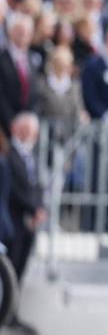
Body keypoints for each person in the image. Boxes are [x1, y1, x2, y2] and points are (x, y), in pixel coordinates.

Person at [2, 112, 44, 282]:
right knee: (9, 269)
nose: (32, 136)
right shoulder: (8, 155)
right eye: (28, 130)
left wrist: (39, 208)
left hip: (29, 222)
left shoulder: (32, 157)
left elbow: (37, 185)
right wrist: (33, 207)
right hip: (13, 219)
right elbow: (13, 188)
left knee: (20, 270)